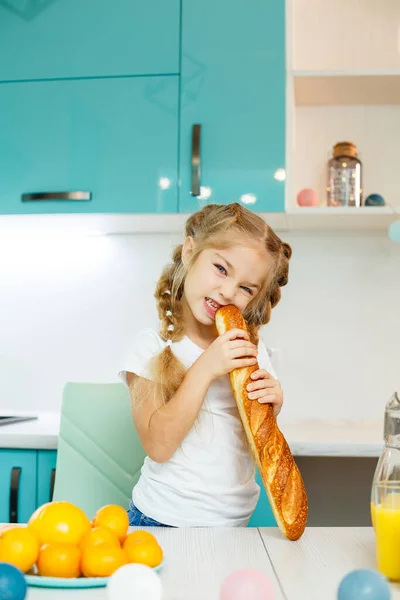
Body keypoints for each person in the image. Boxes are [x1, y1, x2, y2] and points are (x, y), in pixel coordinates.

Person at [119, 202, 291, 527]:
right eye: (221, 269)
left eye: (245, 288)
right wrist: (206, 367)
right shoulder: (152, 346)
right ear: (189, 251)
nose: (227, 292)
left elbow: (252, 437)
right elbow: (158, 444)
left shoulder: (250, 348)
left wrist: (272, 406)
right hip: (162, 520)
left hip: (234, 525)